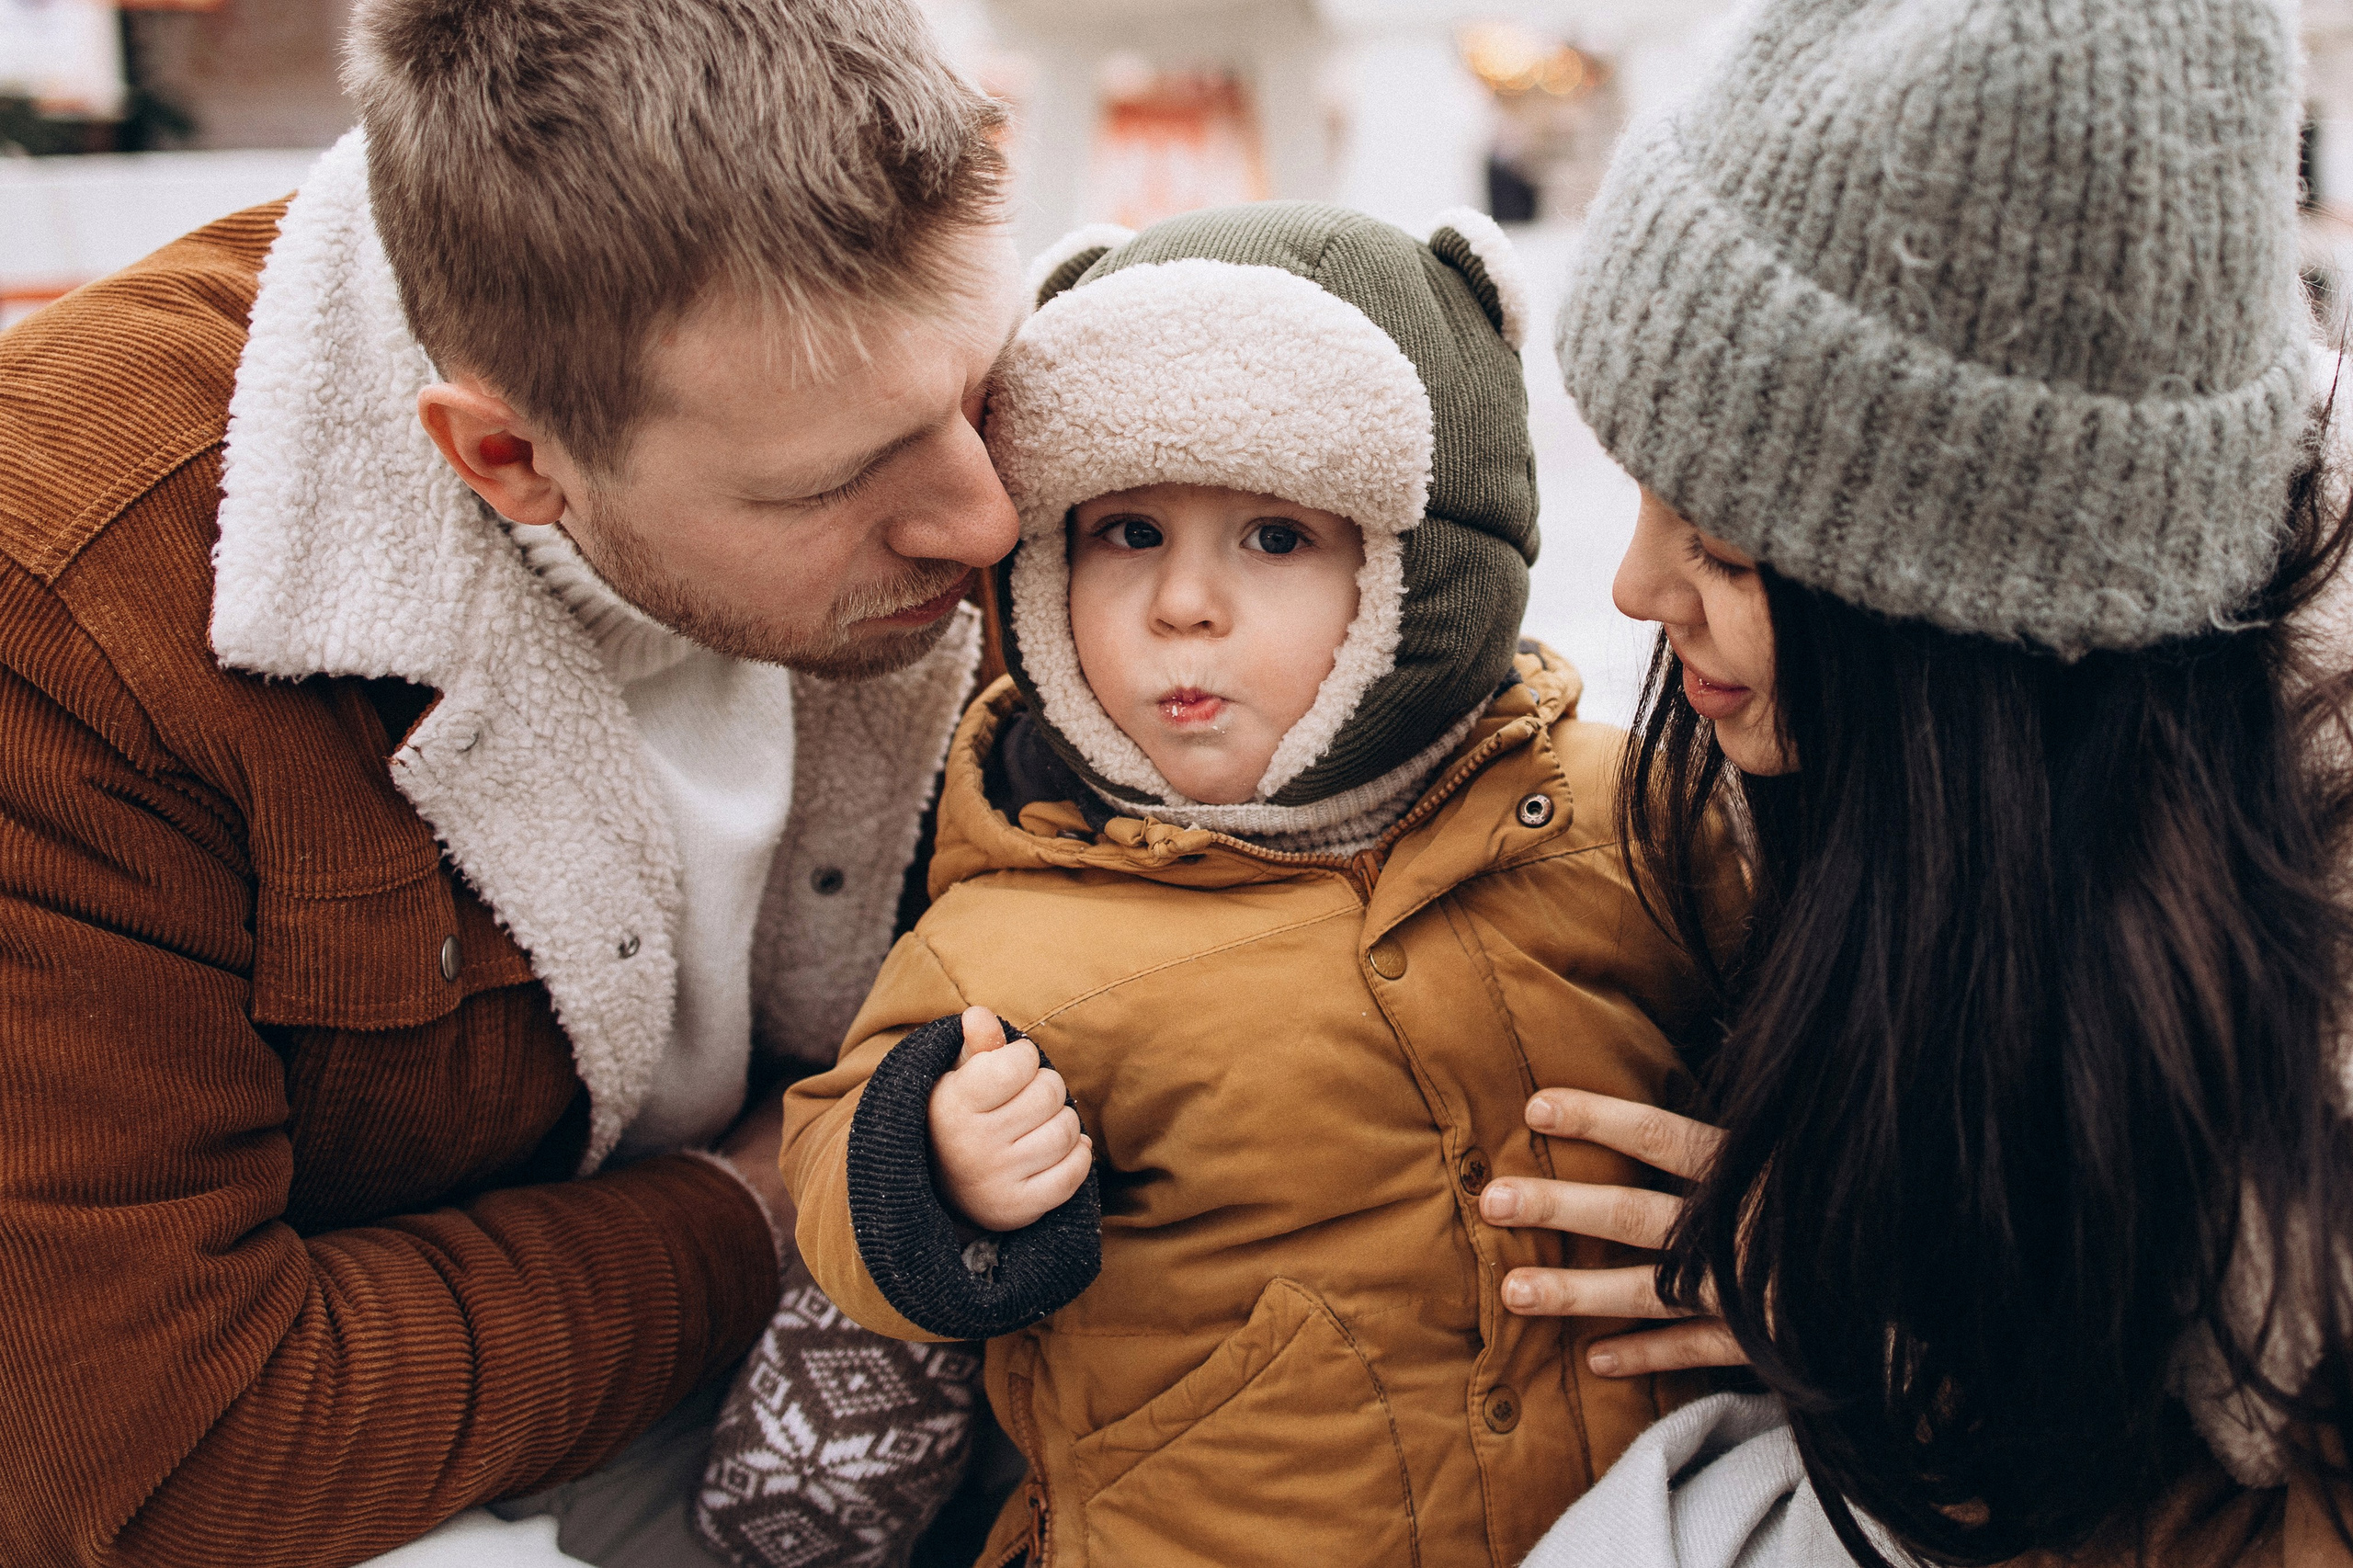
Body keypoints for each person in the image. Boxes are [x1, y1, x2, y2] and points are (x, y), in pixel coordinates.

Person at [0, 1, 1026, 1564]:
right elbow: (146, 1450)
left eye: (972, 388)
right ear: (506, 459)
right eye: (832, 479)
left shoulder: (1048, 404)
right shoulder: (66, 615)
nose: (990, 520)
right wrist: (776, 1209)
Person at [1473, 0, 2353, 1562]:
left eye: (1729, 548)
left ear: (1973, 635)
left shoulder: (2303, 931)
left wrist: (1912, 1316)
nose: (1631, 587)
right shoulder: (1886, 752)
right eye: (1648, 490)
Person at [770, 203, 1730, 1566]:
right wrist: (934, 1166)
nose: (1183, 604)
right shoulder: (1018, 920)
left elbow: (1824, 1032)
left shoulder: (1616, 810)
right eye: (1127, 533)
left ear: (1424, 565)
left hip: (1650, 1512)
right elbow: (832, 1157)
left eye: (1276, 538)